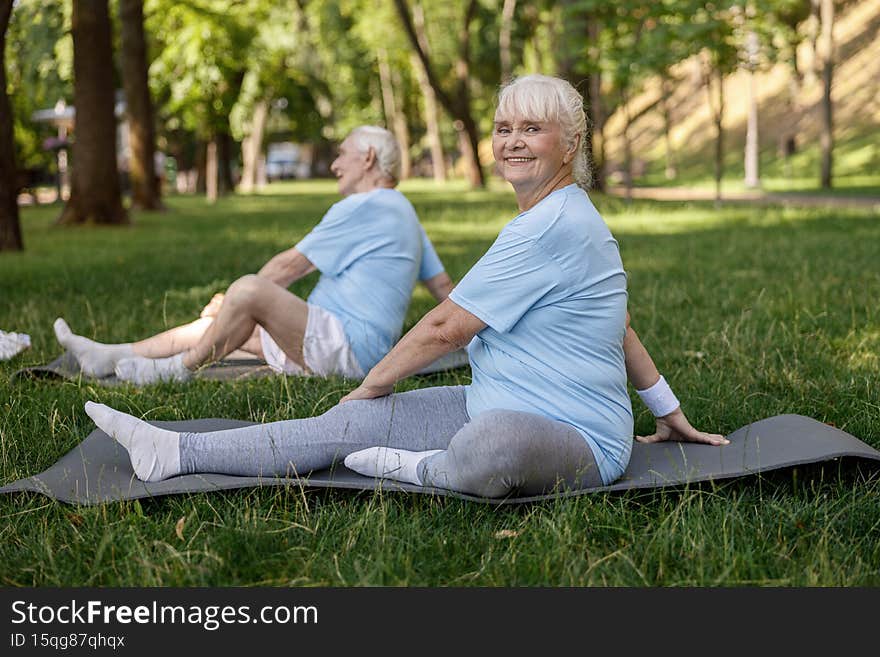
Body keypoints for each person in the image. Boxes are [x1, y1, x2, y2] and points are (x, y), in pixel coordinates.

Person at [84, 75, 726, 497]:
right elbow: (621, 327)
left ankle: (420, 468)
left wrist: (371, 384)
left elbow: (446, 325)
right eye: (504, 129)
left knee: (488, 447)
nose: (512, 142)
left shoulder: (555, 224)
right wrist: (671, 416)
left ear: (572, 143)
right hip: (493, 396)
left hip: (581, 436)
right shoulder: (549, 217)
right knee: (341, 426)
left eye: (532, 128)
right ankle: (173, 450)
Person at [54, 126, 454, 385]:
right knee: (213, 325)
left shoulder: (368, 205)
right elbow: (442, 286)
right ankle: (108, 356)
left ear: (367, 158)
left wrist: (231, 299)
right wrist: (472, 339)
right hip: (346, 349)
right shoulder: (404, 211)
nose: (334, 164)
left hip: (344, 347)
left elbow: (288, 267)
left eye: (342, 154)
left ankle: (176, 372)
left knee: (247, 291)